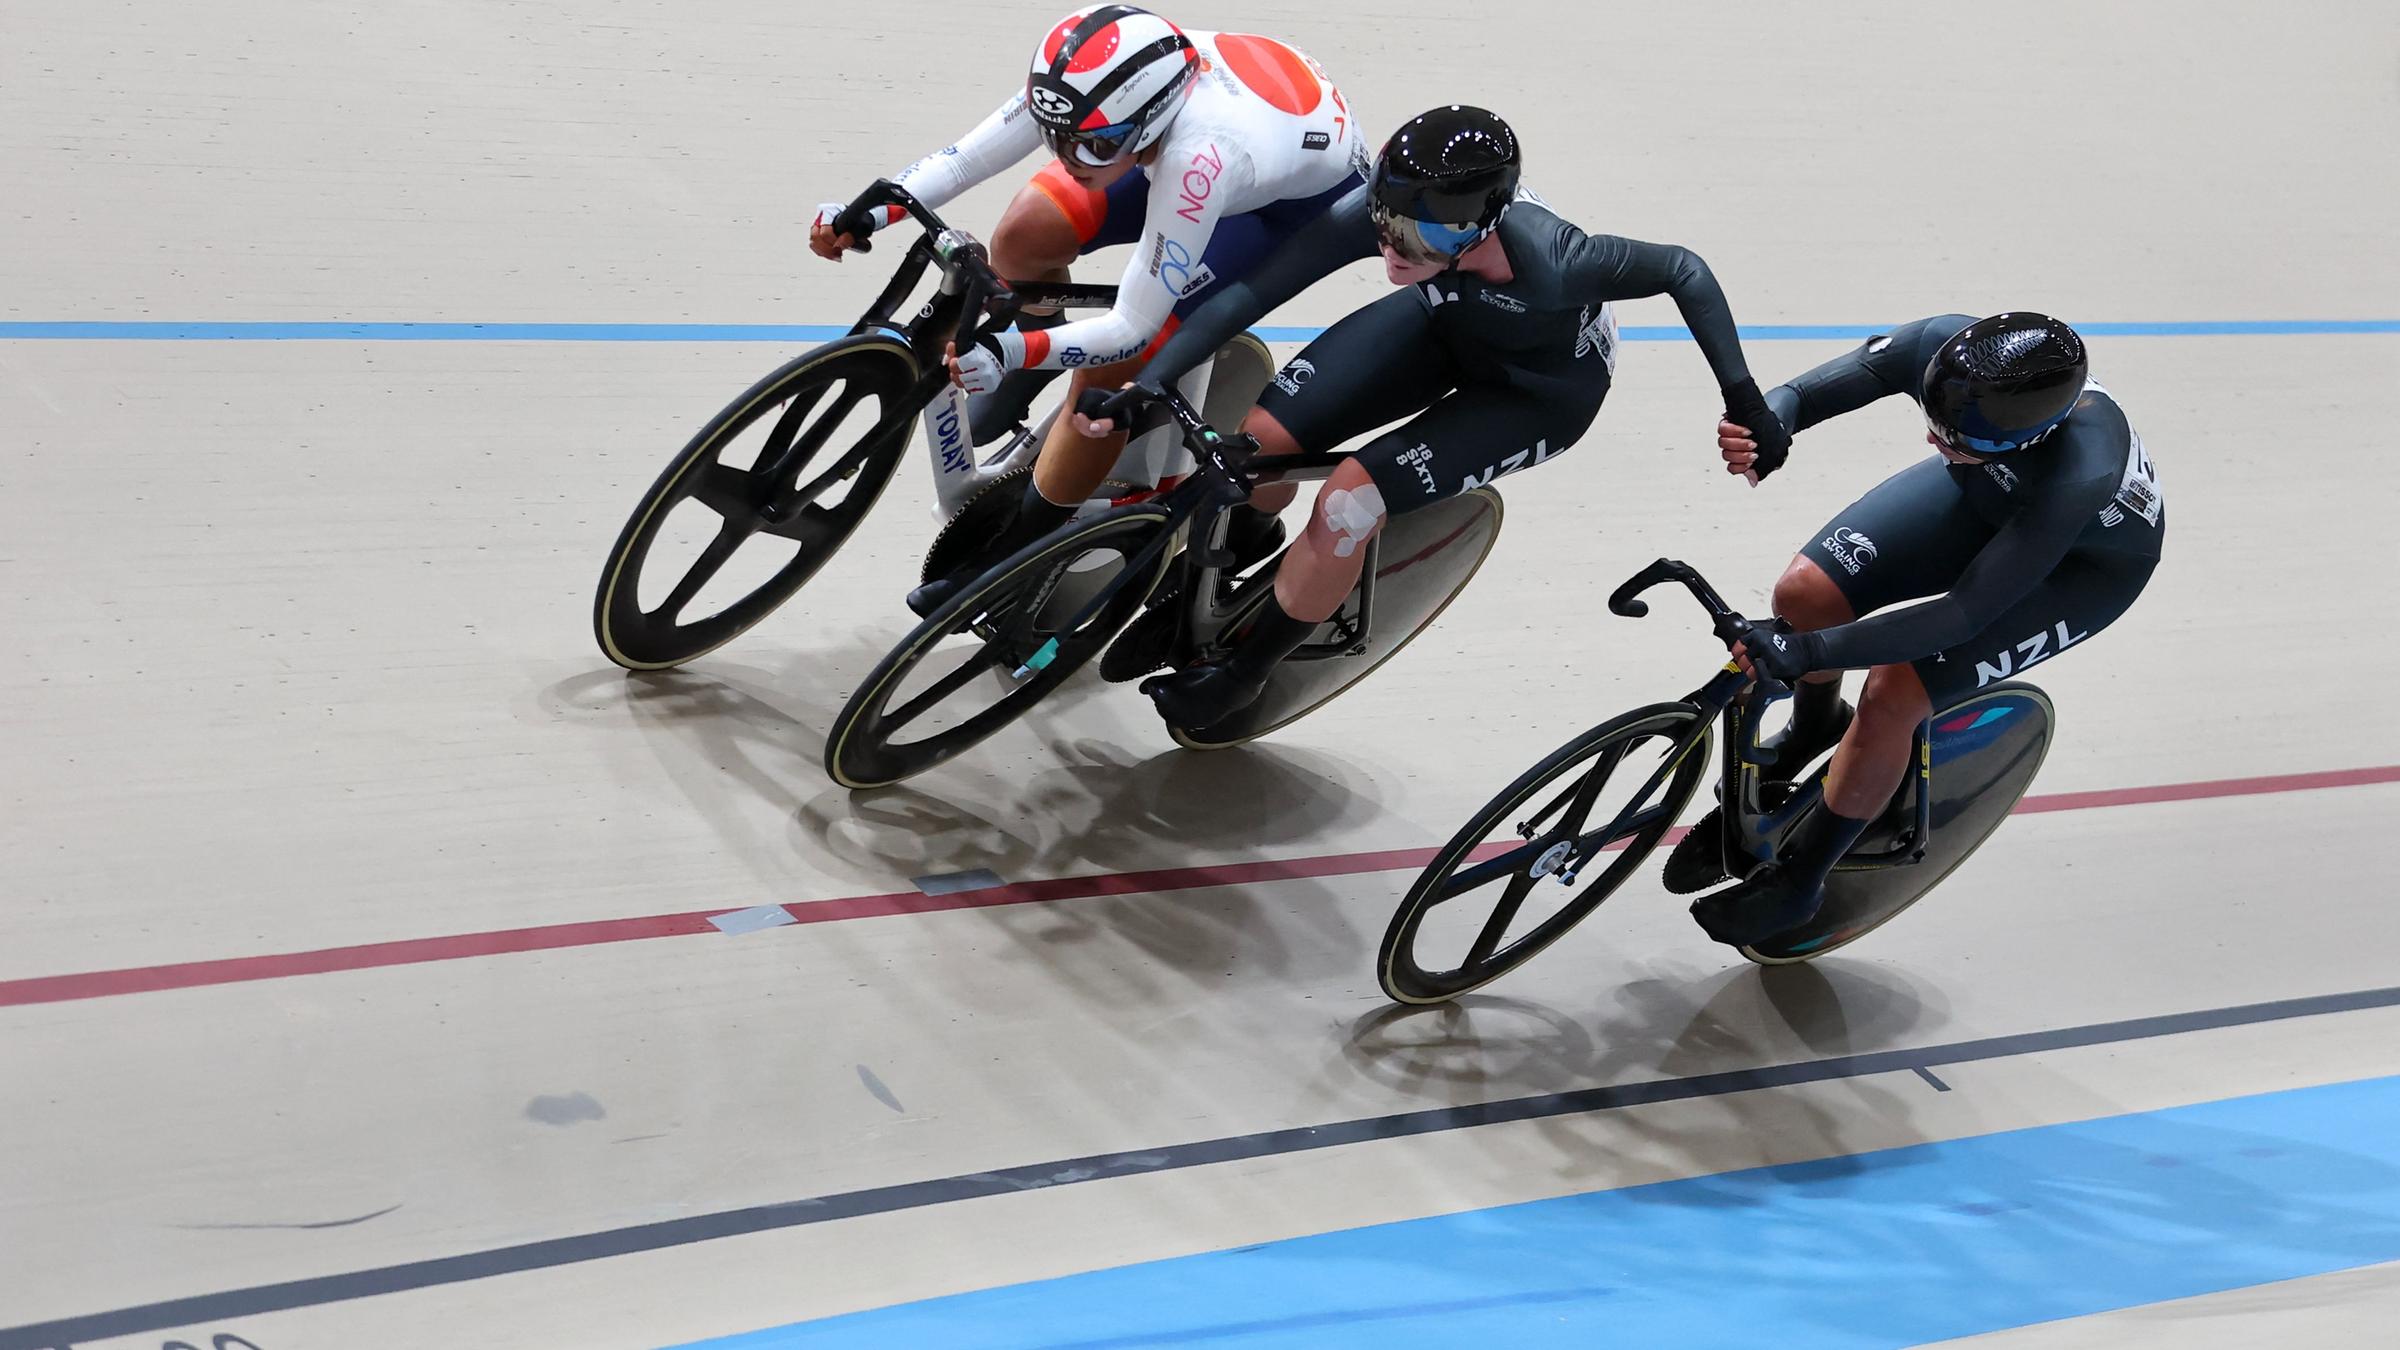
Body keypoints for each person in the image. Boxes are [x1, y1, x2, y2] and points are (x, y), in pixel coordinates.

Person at [1075, 105, 1792, 731]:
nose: (1393, 251)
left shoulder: (1558, 259)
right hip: (1445, 325)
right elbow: (1253, 294)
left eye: (1419, 241)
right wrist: (1151, 380)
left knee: (1349, 503)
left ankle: (1245, 674)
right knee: (1256, 445)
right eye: (1387, 227)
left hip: (1537, 396)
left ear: (1480, 227)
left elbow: (1684, 270)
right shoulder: (1397, 219)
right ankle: (1242, 547)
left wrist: (1746, 403)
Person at [808, 6, 1368, 614]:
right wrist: (869, 212)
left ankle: (1016, 546)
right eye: (1056, 135)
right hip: (1248, 131)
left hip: (1290, 212)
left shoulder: (1197, 159)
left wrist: (1008, 349)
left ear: (1148, 126)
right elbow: (966, 158)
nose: (1071, 157)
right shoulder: (1086, 82)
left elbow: (1131, 326)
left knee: (1110, 376)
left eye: (1094, 147)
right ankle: (1026, 380)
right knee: (1025, 234)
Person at [1685, 312, 2166, 947]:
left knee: (1895, 693)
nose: (1933, 442)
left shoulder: (2082, 469)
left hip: (2080, 568)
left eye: (1956, 441)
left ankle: (1801, 884)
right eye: (1935, 425)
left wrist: (1807, 651)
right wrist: (1769, 422)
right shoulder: (1951, 351)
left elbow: (1962, 615)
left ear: (2028, 440)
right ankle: (1815, 726)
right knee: (1805, 595)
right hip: (1989, 495)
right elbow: (1800, 395)